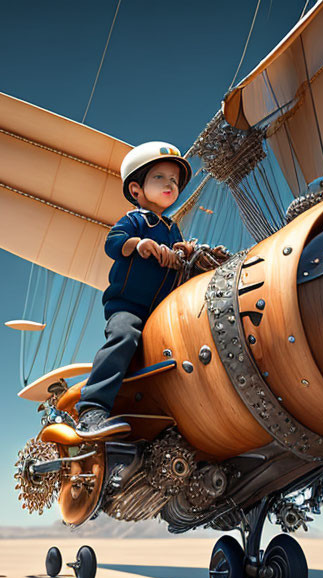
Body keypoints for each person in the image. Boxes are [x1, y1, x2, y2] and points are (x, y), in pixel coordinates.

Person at [75, 141, 194, 439]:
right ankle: (91, 409)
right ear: (136, 190)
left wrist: (183, 249)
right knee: (124, 335)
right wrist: (138, 244)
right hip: (128, 306)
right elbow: (112, 243)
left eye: (174, 181)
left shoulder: (171, 228)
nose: (170, 184)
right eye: (160, 178)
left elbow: (179, 253)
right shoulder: (134, 220)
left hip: (161, 310)